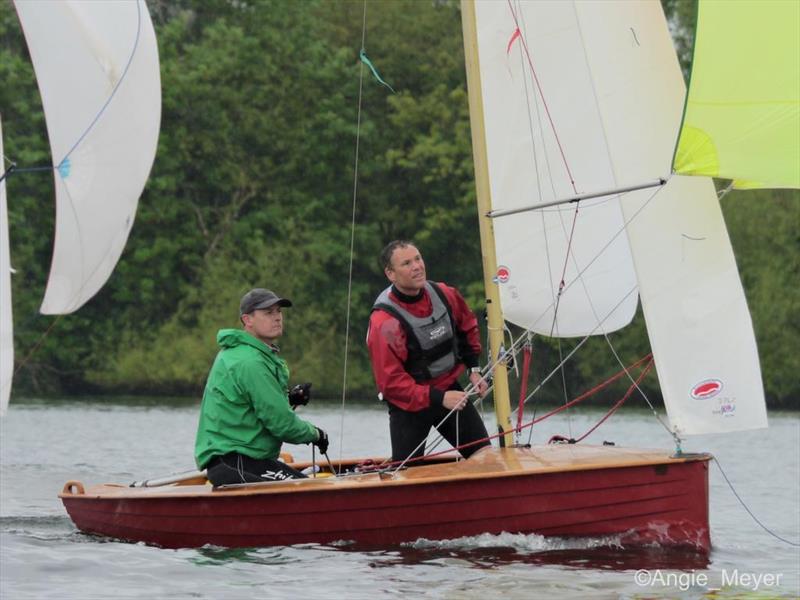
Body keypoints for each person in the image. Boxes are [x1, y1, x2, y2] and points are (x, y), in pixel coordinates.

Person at [367, 240, 491, 463]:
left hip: (449, 390)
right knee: (407, 475)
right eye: (406, 263)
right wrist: (438, 397)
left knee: (484, 456)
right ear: (391, 274)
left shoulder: (445, 294)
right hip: (408, 405)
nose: (417, 266)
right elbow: (391, 383)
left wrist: (473, 368)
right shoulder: (384, 322)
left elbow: (467, 327)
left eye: (418, 258)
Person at [195, 288, 329, 486]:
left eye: (278, 312)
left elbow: (251, 409)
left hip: (244, 460)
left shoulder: (245, 354)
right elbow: (282, 424)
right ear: (247, 320)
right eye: (268, 313)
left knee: (311, 487)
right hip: (237, 461)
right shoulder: (250, 362)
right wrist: (317, 434)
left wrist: (289, 400)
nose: (277, 318)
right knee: (312, 490)